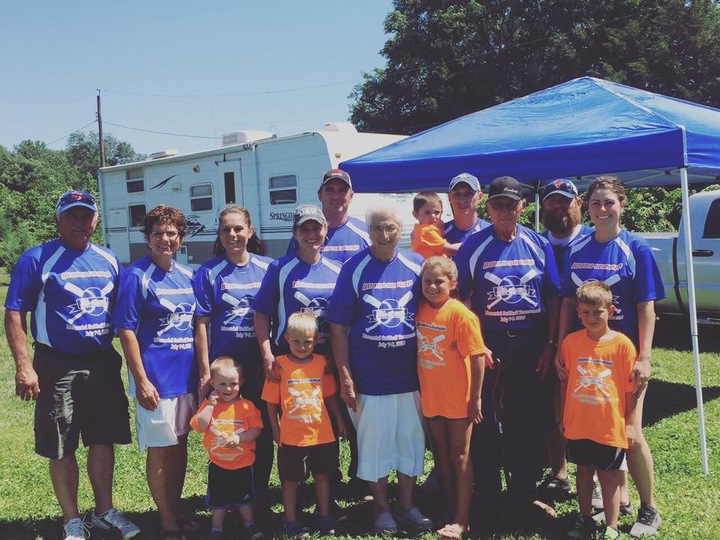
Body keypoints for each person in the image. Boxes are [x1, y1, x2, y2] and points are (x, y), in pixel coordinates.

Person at [4, 190, 140, 540]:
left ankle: (104, 511)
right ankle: (71, 519)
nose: (80, 222)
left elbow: (126, 315)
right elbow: (15, 312)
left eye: (86, 215)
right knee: (61, 442)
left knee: (102, 438)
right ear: (58, 219)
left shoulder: (108, 259)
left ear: (95, 219)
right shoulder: (37, 259)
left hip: (101, 362)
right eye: (71, 215)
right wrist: (24, 365)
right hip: (56, 363)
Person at [555, 175, 665, 536]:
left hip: (623, 357)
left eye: (609, 203)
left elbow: (646, 306)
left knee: (629, 433)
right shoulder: (578, 247)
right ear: (585, 206)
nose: (602, 210)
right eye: (595, 203)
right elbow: (568, 302)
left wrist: (644, 357)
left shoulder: (637, 248)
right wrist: (559, 346)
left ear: (622, 204)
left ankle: (648, 509)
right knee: (596, 433)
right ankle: (621, 500)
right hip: (585, 358)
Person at [454, 175, 561, 520]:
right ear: (489, 207)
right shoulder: (474, 246)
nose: (504, 210)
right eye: (497, 204)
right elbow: (461, 300)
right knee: (486, 420)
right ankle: (487, 491)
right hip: (490, 346)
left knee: (530, 418)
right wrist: (476, 345)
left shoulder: (537, 243)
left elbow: (554, 297)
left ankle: (525, 491)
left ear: (522, 207)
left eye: (510, 204)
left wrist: (549, 345)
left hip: (531, 343)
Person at [328, 204, 432, 534]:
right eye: (377, 229)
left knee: (410, 442)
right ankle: (381, 507)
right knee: (374, 446)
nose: (384, 235)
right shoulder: (354, 268)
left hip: (410, 377)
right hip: (369, 379)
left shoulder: (416, 265)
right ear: (368, 232)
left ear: (400, 230)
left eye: (390, 228)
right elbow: (339, 326)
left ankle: (407, 504)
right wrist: (345, 375)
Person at [114, 205, 199, 540]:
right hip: (156, 382)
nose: (165, 239)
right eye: (158, 233)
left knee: (180, 446)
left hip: (186, 379)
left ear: (180, 237)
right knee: (161, 450)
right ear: (147, 238)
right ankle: (167, 523)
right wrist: (141, 379)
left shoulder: (188, 275)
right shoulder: (137, 276)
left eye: (171, 233)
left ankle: (175, 511)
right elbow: (126, 329)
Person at [192, 204, 274, 515]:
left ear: (250, 231)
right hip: (225, 372)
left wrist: (269, 359)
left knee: (259, 431)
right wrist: (205, 372)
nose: (233, 234)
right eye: (226, 229)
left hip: (258, 368)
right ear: (219, 234)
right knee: (223, 433)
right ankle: (225, 498)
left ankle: (257, 496)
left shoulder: (268, 268)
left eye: (239, 228)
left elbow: (274, 316)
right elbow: (201, 323)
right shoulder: (208, 272)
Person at [416, 256, 485, 539]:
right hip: (431, 396)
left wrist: (475, 398)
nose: (432, 287)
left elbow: (478, 356)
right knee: (442, 456)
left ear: (452, 283)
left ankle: (462, 518)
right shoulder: (419, 309)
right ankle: (448, 509)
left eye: (439, 281)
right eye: (427, 281)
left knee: (460, 456)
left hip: (458, 398)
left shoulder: (460, 314)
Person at [562, 281, 638, 540]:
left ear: (611, 310)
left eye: (597, 312)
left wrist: (629, 423)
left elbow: (629, 390)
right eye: (585, 312)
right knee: (583, 472)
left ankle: (612, 526)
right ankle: (584, 519)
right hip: (578, 423)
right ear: (578, 313)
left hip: (608, 425)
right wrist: (563, 415)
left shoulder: (622, 345)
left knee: (609, 476)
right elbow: (567, 381)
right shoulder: (570, 343)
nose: (591, 318)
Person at [262, 312, 346, 537]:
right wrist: (275, 427)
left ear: (317, 339)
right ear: (287, 337)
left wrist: (338, 419)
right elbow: (271, 403)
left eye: (307, 341)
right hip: (291, 436)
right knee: (290, 481)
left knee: (322, 476)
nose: (301, 346)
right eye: (296, 341)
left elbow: (329, 397)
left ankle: (324, 515)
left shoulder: (321, 363)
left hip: (321, 435)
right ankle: (290, 520)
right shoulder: (279, 365)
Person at [538, 179, 593, 497]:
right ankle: (559, 472)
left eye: (565, 201)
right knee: (551, 407)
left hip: (589, 339)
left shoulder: (592, 239)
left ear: (579, 202)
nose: (559, 207)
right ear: (543, 206)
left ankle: (598, 474)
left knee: (591, 405)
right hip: (547, 339)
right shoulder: (536, 241)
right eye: (552, 202)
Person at [254, 204, 341, 377]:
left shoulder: (338, 270)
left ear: (325, 229)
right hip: (287, 360)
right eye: (304, 229)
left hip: (326, 360)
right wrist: (267, 355)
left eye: (316, 228)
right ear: (294, 233)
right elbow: (261, 314)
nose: (311, 235)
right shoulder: (279, 268)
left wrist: (335, 353)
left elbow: (342, 320)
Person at [190, 357, 264, 540]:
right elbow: (199, 426)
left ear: (242, 383)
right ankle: (216, 528)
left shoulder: (247, 406)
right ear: (213, 383)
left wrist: (240, 438)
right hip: (217, 464)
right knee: (218, 501)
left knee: (244, 498)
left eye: (233, 384)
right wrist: (210, 406)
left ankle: (249, 524)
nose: (228, 388)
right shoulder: (209, 406)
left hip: (242, 464)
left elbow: (257, 429)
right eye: (222, 384)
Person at [285, 168, 369, 264]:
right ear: (319, 195)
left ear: (351, 196)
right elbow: (288, 269)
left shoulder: (366, 233)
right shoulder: (304, 235)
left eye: (342, 191)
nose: (336, 196)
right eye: (330, 190)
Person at [443, 173, 489, 245]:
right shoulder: (439, 232)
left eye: (469, 193)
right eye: (457, 194)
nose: (462, 200)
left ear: (480, 197)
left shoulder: (490, 232)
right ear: (449, 198)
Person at [411, 191, 460, 258]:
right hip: (433, 267)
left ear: (441, 213)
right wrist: (468, 244)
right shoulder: (426, 231)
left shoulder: (417, 230)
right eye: (427, 212)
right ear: (416, 214)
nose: (433, 216)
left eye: (436, 212)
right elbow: (450, 250)